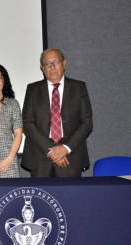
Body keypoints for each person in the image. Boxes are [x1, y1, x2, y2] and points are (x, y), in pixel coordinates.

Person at [21, 48, 93, 177]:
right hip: (40, 157)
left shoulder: (79, 88)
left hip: (71, 157)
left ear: (64, 63)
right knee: (40, 197)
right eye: (47, 63)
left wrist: (65, 148)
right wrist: (51, 151)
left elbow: (86, 123)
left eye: (56, 62)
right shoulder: (32, 89)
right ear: (42, 68)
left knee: (69, 197)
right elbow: (27, 123)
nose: (52, 67)